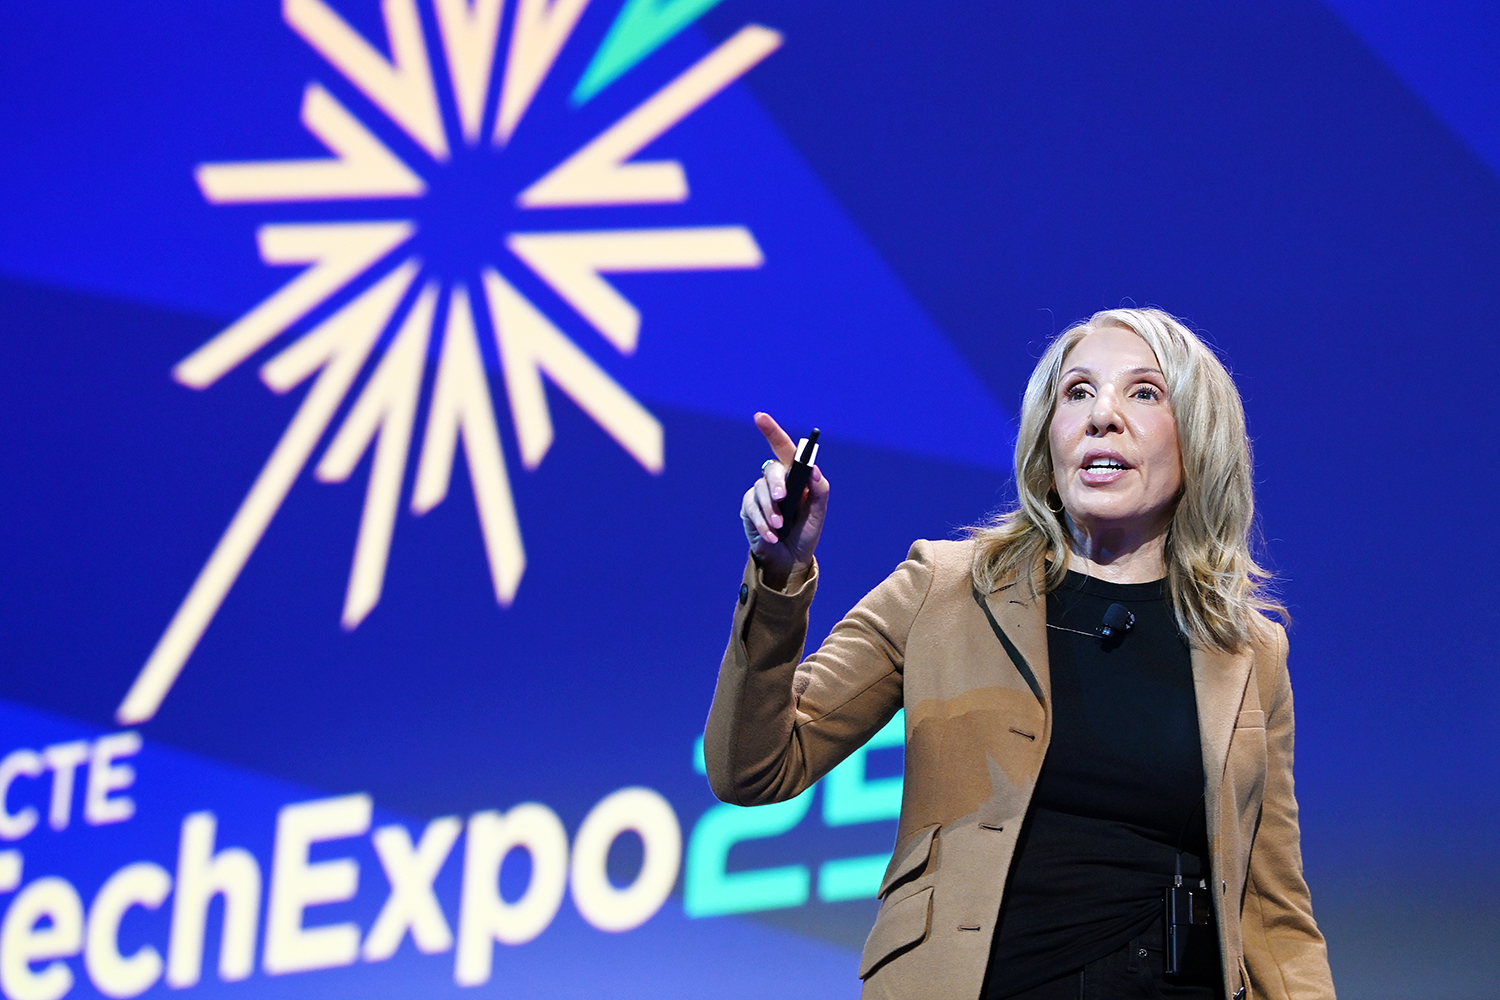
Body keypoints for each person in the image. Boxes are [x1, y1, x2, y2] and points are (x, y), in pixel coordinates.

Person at [704, 308, 1334, 1000]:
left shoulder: (1245, 649)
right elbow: (753, 768)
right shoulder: (944, 590)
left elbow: (1275, 917)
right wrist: (777, 580)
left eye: (1144, 392)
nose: (1103, 416)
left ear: (1198, 440)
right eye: (1078, 393)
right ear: (1049, 439)